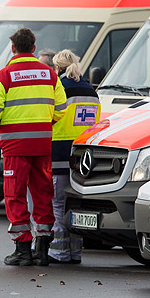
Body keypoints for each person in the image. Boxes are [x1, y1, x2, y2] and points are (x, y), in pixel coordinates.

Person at [0, 28, 67, 266]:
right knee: (43, 195)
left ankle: (22, 250)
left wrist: (2, 127)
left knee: (15, 195)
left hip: (14, 146)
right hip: (42, 145)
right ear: (33, 47)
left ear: (13, 48)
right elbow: (61, 109)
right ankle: (42, 250)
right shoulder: (50, 75)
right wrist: (44, 124)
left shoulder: (3, 76)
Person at [49, 49, 101, 264]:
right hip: (82, 158)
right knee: (75, 206)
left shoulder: (59, 89)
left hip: (59, 153)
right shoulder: (91, 91)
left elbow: (51, 117)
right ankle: (75, 252)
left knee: (58, 204)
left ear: (57, 68)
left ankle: (59, 251)